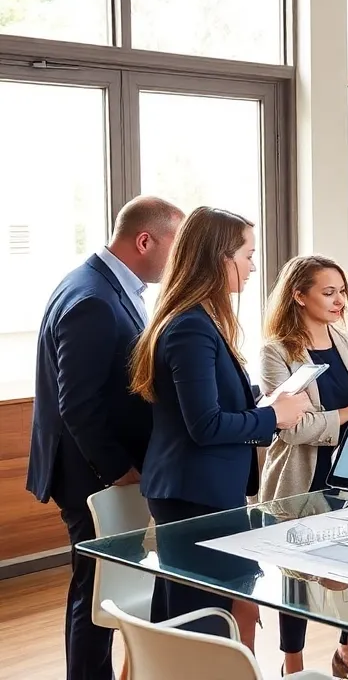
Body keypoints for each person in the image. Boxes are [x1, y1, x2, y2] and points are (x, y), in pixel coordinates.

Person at [130, 207, 310, 645]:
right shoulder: (191, 326)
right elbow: (205, 425)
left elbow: (209, 403)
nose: (252, 267)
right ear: (218, 258)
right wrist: (274, 416)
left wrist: (262, 401)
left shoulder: (202, 320)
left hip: (202, 487)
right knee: (203, 622)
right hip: (194, 492)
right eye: (247, 255)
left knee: (201, 612)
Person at [26, 196, 182, 680]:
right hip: (91, 475)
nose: (178, 260)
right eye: (175, 247)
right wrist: (118, 470)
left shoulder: (107, 284)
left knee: (106, 586)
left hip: (97, 469)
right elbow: (78, 403)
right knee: (96, 589)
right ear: (144, 240)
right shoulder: (92, 297)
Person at [256, 255, 348, 678]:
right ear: (299, 295)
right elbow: (293, 430)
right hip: (299, 476)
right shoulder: (275, 351)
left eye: (341, 291)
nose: (339, 300)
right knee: (297, 575)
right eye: (328, 292)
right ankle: (292, 664)